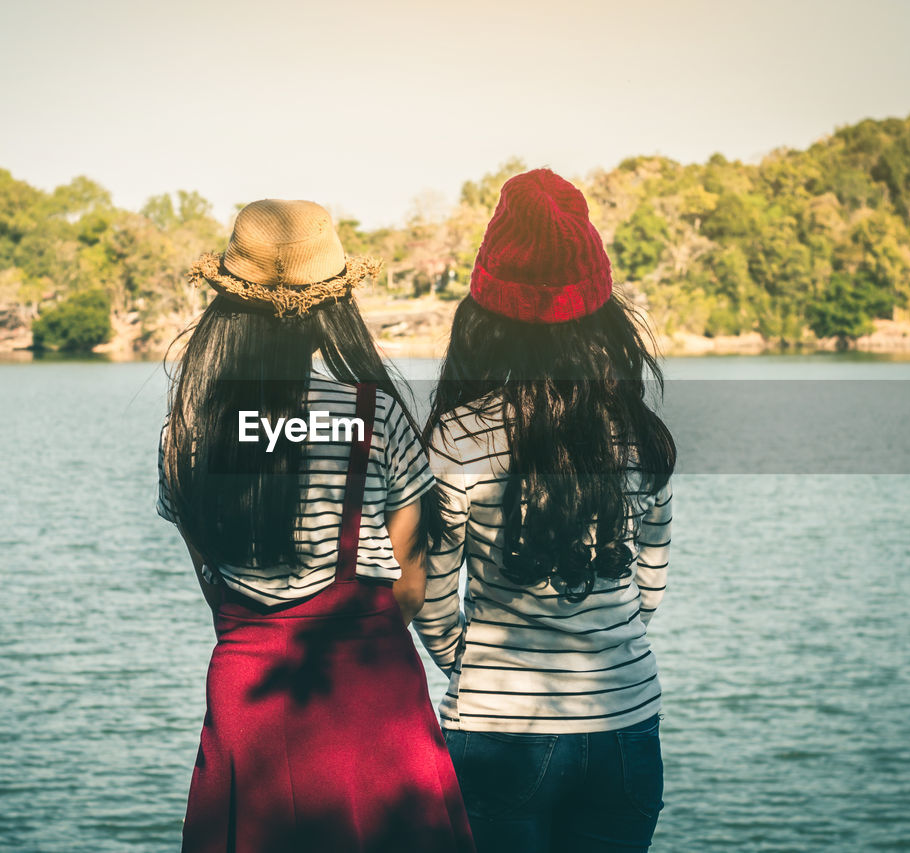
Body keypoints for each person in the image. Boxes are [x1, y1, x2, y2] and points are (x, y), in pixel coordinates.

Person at [157, 199, 475, 853]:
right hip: (368, 695)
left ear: (228, 307)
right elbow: (411, 589)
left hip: (248, 702)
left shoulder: (185, 434)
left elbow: (216, 588)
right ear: (332, 308)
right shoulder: (375, 416)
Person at [415, 169, 676, 852]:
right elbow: (649, 589)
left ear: (485, 317)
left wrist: (469, 664)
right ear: (600, 310)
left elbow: (433, 600)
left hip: (499, 729)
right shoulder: (641, 436)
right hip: (626, 723)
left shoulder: (458, 437)